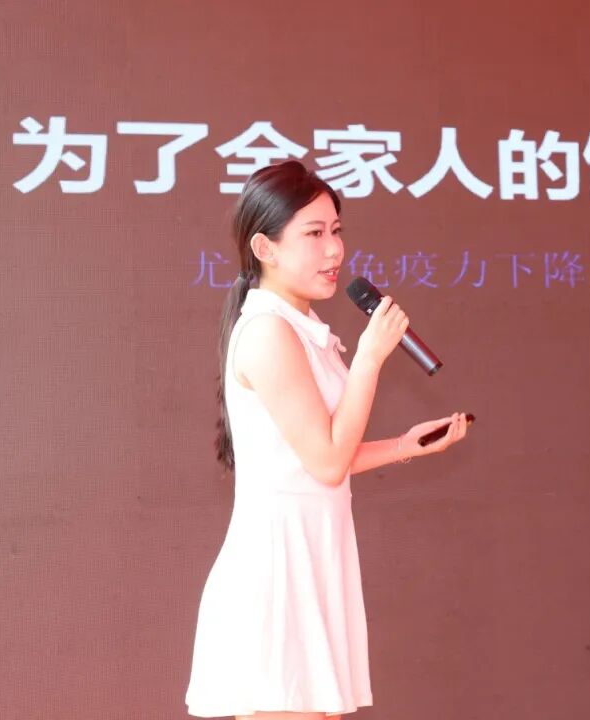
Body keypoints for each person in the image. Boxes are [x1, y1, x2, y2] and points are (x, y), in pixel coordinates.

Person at [185, 160, 471, 719]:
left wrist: (405, 445)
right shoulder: (268, 331)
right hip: (279, 569)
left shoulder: (302, 329)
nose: (334, 249)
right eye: (313, 234)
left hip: (316, 556)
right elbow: (326, 462)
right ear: (264, 248)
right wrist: (369, 358)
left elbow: (317, 455)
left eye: (336, 230)